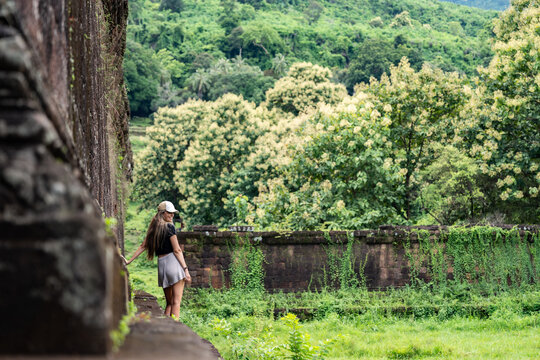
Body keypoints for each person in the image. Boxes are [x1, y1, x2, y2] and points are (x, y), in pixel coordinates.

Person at [123, 201, 191, 318]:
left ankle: (166, 325)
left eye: (173, 213)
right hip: (173, 264)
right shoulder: (169, 227)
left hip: (162, 267)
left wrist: (129, 261)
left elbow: (143, 246)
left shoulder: (154, 228)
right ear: (163, 213)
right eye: (169, 213)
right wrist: (185, 269)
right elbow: (177, 250)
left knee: (169, 303)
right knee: (176, 303)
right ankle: (174, 330)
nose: (172, 216)